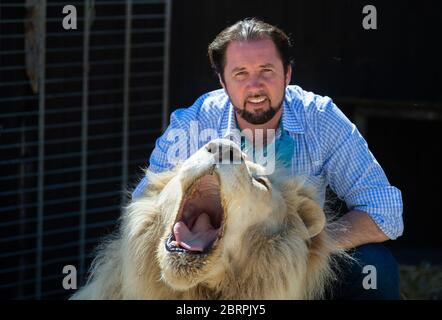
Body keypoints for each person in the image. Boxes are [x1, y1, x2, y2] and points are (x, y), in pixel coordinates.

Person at [133, 18, 403, 299]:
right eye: (240, 74)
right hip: (209, 274)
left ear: (287, 74)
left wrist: (305, 247)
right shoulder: (193, 123)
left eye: (266, 71)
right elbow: (143, 205)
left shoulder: (320, 118)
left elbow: (385, 213)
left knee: (375, 267)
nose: (255, 86)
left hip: (290, 272)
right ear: (223, 82)